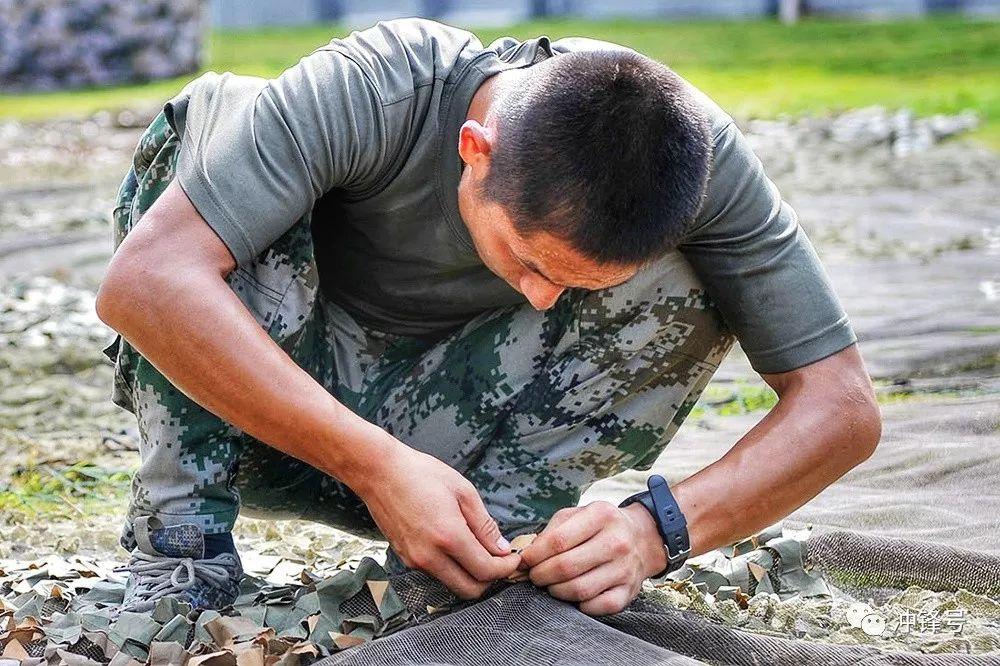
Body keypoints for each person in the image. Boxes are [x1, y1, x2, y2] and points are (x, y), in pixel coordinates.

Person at [95, 18, 882, 617]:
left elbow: (842, 405)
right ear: (475, 149)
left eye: (580, 286)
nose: (544, 300)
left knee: (703, 271)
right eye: (533, 263)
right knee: (222, 119)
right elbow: (144, 284)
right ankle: (181, 546)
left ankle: (486, 557)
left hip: (454, 482)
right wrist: (373, 464)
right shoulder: (379, 85)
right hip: (260, 419)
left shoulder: (691, 151)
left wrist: (655, 531)